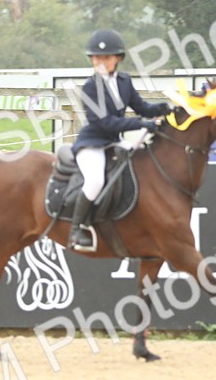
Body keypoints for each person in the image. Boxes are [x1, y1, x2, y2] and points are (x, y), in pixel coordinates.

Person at [68, 29, 171, 252]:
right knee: (95, 181)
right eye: (96, 58)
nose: (100, 62)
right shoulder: (90, 87)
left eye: (105, 57)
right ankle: (76, 229)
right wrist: (142, 124)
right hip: (93, 143)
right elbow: (105, 122)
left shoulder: (124, 80)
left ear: (118, 59)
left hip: (115, 142)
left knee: (144, 164)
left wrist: (162, 108)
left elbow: (141, 107)